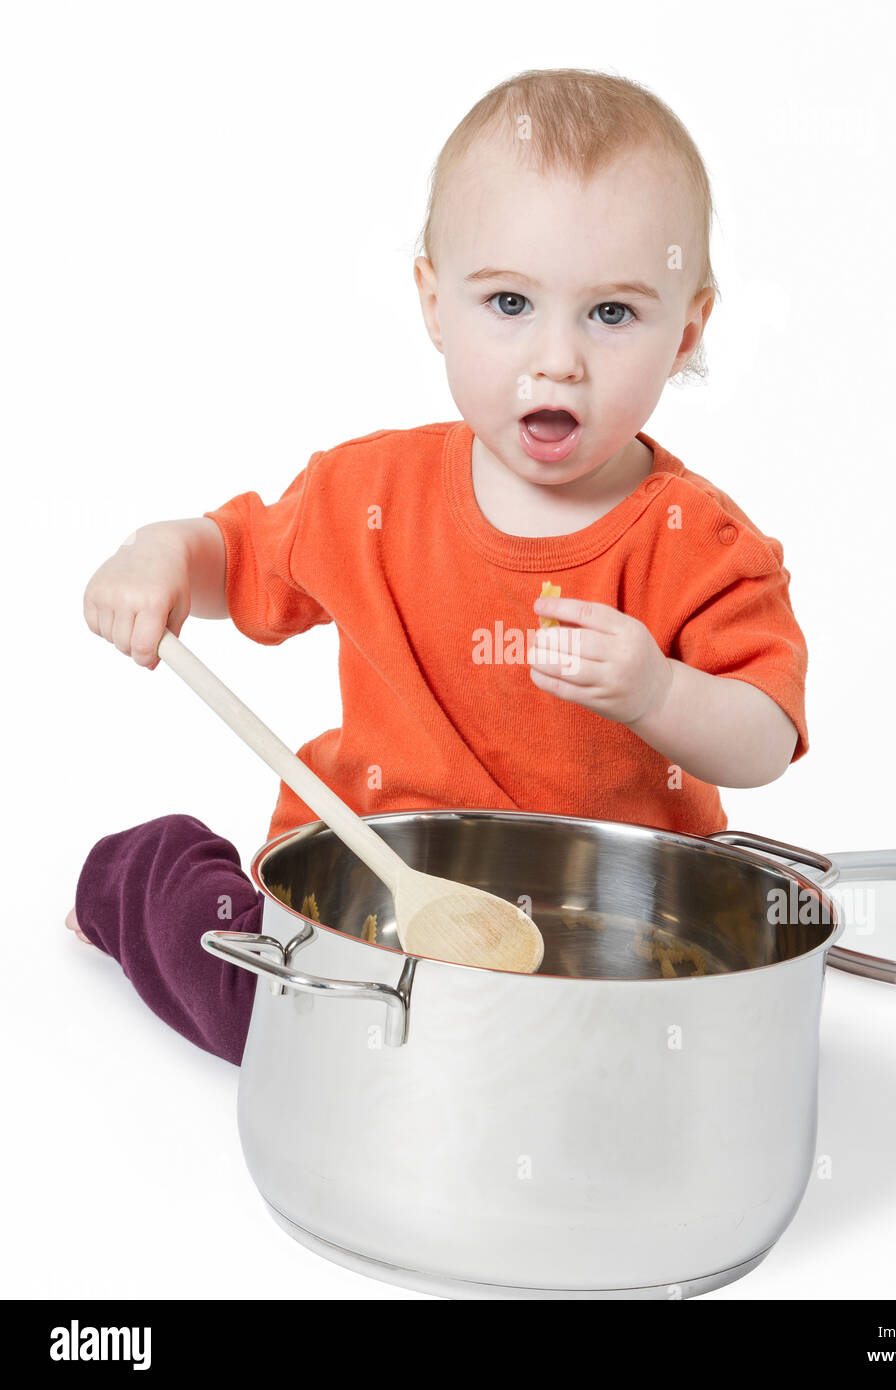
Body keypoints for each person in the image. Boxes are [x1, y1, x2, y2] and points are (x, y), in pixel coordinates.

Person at [68, 67, 809, 1065]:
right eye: (508, 301)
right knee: (273, 1027)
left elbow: (761, 738)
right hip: (374, 909)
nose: (556, 359)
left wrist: (657, 690)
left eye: (611, 314)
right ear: (431, 301)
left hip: (595, 947)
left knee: (651, 1067)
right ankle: (141, 876)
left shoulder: (696, 540)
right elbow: (232, 555)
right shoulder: (367, 492)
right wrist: (160, 552)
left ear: (685, 328)